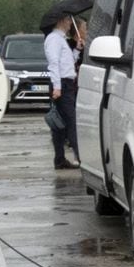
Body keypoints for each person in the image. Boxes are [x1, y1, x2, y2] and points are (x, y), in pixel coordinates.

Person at [44, 14, 80, 171]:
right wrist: (57, 87)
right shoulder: (54, 39)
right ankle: (80, 157)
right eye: (67, 20)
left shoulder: (61, 40)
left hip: (66, 84)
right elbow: (54, 63)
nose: (69, 24)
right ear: (59, 21)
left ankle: (59, 159)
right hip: (62, 85)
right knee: (71, 121)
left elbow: (67, 62)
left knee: (60, 125)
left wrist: (77, 51)